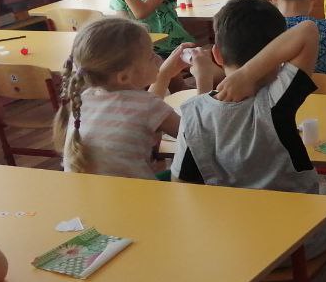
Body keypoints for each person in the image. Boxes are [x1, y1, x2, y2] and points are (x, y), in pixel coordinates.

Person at [171, 0, 326, 282]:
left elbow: (183, 187)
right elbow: (307, 30)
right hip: (291, 241)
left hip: (232, 245)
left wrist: (208, 83)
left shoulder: (193, 113)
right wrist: (251, 73)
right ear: (277, 57)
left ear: (217, 55)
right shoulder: (277, 99)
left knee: (261, 248)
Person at [52, 18, 220, 179]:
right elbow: (197, 139)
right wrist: (204, 78)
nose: (158, 59)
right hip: (138, 196)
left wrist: (164, 74)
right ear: (124, 77)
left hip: (88, 196)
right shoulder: (148, 106)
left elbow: (140, 108)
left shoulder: (83, 98)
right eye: (151, 56)